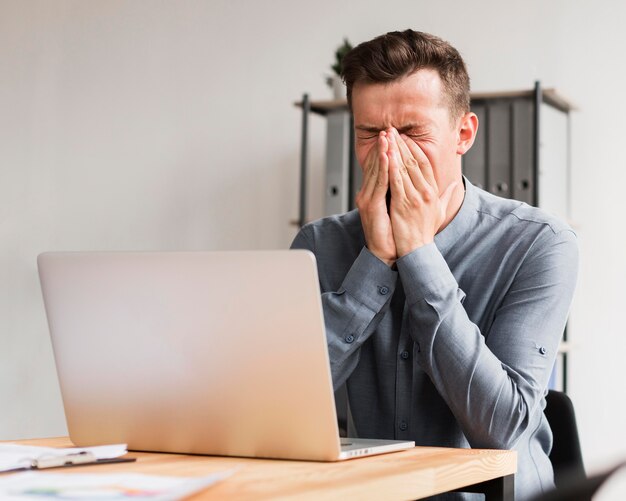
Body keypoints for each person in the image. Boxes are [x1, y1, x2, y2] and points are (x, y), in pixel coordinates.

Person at [291, 29, 578, 500]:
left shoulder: (540, 244)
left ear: (463, 134)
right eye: (370, 134)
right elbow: (287, 407)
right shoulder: (319, 244)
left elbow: (502, 431)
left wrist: (418, 254)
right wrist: (376, 261)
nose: (390, 153)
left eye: (411, 132)